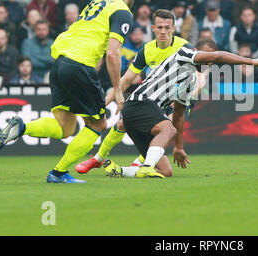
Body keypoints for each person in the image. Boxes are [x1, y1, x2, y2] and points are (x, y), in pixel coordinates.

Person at [0, 0, 138, 184]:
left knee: (65, 128)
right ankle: (59, 173)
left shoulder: (97, 2)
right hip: (80, 66)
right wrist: (118, 89)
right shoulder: (123, 11)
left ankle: (23, 127)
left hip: (61, 63)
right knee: (98, 125)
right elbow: (113, 52)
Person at [102, 37, 258, 179]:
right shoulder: (183, 54)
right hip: (140, 102)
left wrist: (179, 147)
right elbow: (218, 56)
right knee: (167, 130)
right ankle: (146, 165)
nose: (209, 64)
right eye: (208, 59)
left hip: (138, 115)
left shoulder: (190, 83)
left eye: (210, 64)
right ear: (199, 53)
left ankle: (119, 171)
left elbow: (178, 115)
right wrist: (250, 61)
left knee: (166, 171)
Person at [75, 9, 196, 176]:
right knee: (123, 123)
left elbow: (197, 75)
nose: (163, 31)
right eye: (159, 27)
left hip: (178, 99)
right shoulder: (147, 50)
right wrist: (104, 104)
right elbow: (125, 80)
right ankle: (98, 159)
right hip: (155, 98)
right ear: (152, 28)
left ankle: (141, 162)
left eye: (167, 28)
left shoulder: (184, 47)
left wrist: (184, 96)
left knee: (168, 126)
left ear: (173, 29)